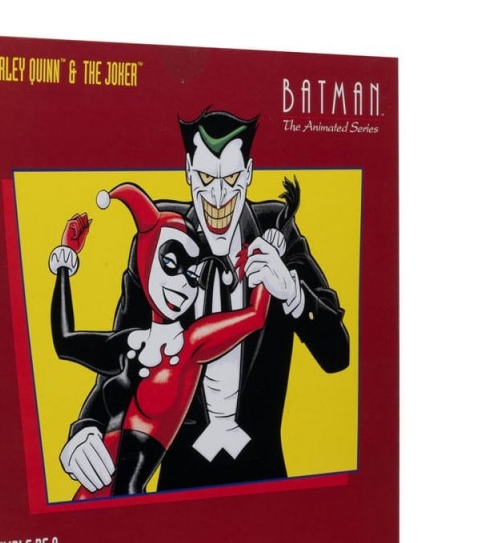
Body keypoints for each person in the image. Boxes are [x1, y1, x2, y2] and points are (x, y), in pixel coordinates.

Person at [59, 110, 349, 492]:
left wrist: (293, 294)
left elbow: (338, 355)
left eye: (231, 179)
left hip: (263, 476)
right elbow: (123, 358)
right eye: (206, 179)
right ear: (188, 172)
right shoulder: (161, 236)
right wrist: (88, 429)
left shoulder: (278, 228)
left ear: (248, 173)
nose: (218, 196)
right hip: (179, 482)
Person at [49, 183, 282, 497]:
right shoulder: (128, 344)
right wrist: (64, 267)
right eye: (171, 265)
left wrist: (263, 263)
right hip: (87, 494)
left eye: (193, 277)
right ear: (145, 262)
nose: (183, 285)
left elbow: (255, 316)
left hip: (129, 498)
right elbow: (64, 343)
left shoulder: (192, 343)